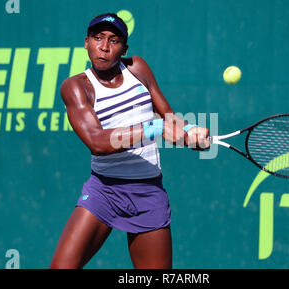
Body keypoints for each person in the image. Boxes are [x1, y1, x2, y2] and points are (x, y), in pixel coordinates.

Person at [49, 13, 210, 269]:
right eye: (98, 38)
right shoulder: (76, 87)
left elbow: (169, 118)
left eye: (113, 41)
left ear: (124, 48)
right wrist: (155, 127)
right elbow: (97, 142)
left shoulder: (138, 68)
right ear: (86, 43)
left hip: (148, 192)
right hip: (103, 191)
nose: (104, 47)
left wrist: (191, 133)